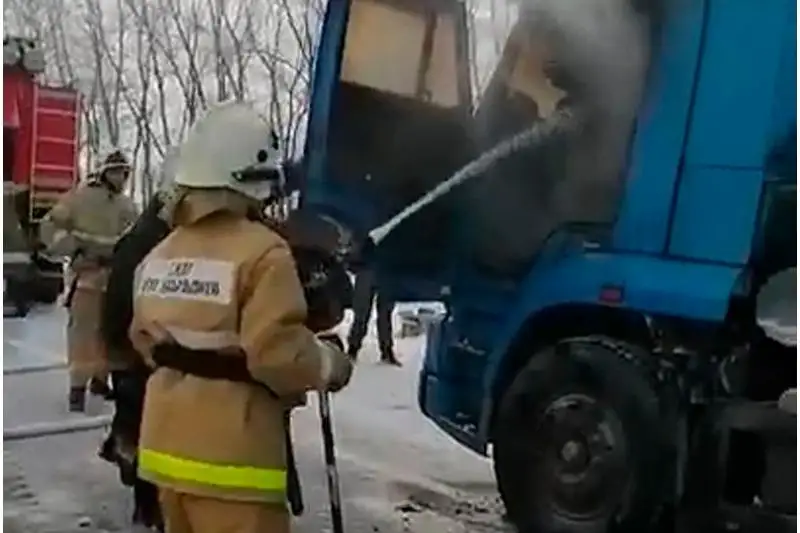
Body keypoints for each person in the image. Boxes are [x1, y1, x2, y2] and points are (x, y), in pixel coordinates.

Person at [128, 101, 354, 533]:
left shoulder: (159, 255)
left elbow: (144, 341)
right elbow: (276, 353)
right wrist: (328, 363)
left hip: (165, 454)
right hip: (233, 461)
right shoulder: (262, 252)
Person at [41, 151, 138, 412]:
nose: (121, 178)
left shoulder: (127, 206)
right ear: (105, 172)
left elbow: (134, 241)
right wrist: (73, 251)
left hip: (116, 279)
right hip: (87, 277)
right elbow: (50, 226)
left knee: (110, 333)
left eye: (124, 173)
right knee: (83, 334)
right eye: (116, 172)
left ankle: (100, 380)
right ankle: (77, 389)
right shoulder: (79, 198)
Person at [346, 265, 400, 365]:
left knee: (385, 314)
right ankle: (353, 348)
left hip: (387, 271)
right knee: (361, 313)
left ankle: (386, 349)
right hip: (367, 268)